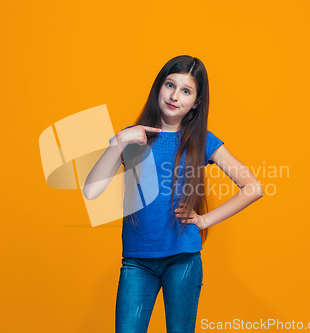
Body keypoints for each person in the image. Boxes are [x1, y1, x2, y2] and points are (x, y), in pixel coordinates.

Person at [83, 55, 264, 333]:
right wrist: (119, 142)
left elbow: (253, 188)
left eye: (186, 91)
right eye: (170, 85)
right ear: (159, 86)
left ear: (196, 102)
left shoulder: (202, 140)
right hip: (136, 261)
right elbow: (92, 191)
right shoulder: (132, 137)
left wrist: (204, 221)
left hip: (183, 260)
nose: (175, 96)